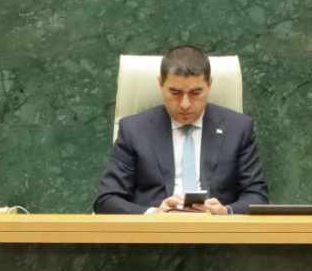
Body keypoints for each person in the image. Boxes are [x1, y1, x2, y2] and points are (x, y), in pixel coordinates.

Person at [92, 46, 268, 215]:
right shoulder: (134, 130)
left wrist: (226, 212)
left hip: (216, 232)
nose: (185, 104)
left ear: (209, 85)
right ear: (160, 84)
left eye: (195, 93)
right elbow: (107, 199)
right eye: (175, 92)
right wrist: (153, 213)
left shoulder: (238, 129)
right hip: (156, 232)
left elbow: (257, 196)